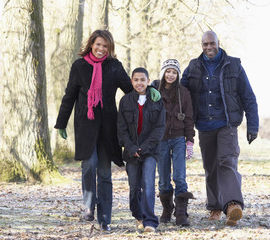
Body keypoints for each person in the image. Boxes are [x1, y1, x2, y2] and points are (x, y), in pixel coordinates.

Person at [54, 30, 160, 231]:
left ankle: (105, 219)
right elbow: (70, 95)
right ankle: (88, 205)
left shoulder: (114, 66)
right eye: (98, 45)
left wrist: (150, 88)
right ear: (91, 44)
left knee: (104, 172)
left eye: (105, 46)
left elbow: (131, 89)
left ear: (109, 48)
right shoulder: (79, 66)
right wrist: (61, 122)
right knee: (89, 165)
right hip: (85, 125)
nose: (101, 49)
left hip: (108, 126)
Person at [180, 31, 259, 226]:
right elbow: (180, 95)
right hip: (204, 126)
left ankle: (232, 205)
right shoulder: (193, 67)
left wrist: (253, 125)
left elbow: (248, 97)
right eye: (205, 44)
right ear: (201, 45)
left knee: (227, 161)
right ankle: (215, 207)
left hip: (227, 123)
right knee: (210, 167)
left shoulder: (234, 65)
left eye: (212, 43)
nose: (208, 47)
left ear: (218, 43)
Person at [117, 67, 165, 233]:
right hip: (131, 153)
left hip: (150, 151)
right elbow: (121, 128)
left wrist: (143, 148)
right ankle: (138, 216)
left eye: (142, 80)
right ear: (132, 81)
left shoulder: (156, 100)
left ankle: (150, 221)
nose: (139, 83)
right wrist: (131, 148)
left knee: (148, 183)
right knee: (134, 187)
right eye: (136, 80)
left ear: (148, 81)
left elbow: (159, 129)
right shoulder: (125, 101)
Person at [152, 59, 195, 226]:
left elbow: (189, 117)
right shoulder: (154, 90)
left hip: (178, 139)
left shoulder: (183, 92)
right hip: (161, 140)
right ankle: (167, 208)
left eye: (174, 72)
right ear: (163, 72)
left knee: (179, 176)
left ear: (178, 75)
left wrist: (189, 140)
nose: (171, 75)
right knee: (163, 178)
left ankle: (181, 212)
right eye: (168, 71)